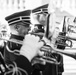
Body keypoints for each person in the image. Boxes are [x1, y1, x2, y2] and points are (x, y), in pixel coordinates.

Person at [3, 10, 45, 75]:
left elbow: (41, 66)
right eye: (27, 25)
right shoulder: (13, 44)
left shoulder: (22, 41)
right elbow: (21, 70)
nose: (30, 28)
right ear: (17, 28)